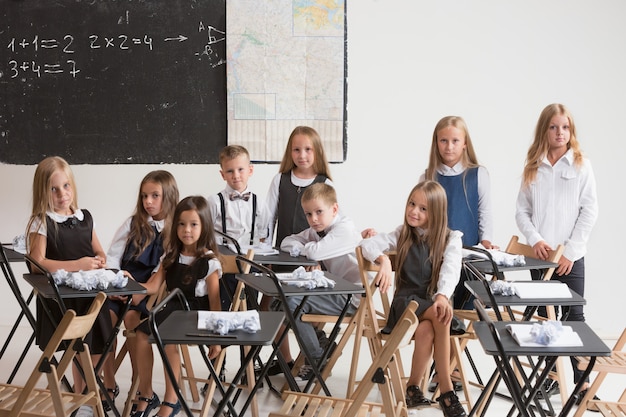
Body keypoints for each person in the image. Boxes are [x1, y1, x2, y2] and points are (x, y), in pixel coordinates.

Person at [359, 181, 467, 417]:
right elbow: (366, 245)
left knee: (428, 328)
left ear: (436, 213)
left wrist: (441, 296)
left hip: (431, 301)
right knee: (441, 315)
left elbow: (451, 269)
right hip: (406, 303)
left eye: (423, 208)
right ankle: (447, 391)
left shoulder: (450, 238)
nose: (414, 211)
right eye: (412, 204)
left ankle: (413, 388)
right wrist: (384, 261)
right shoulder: (402, 234)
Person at [515, 103, 599, 405]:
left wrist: (571, 252)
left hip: (571, 257)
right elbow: (522, 211)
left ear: (571, 131)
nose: (560, 132)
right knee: (544, 317)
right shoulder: (533, 165)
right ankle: (551, 380)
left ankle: (582, 382)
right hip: (541, 256)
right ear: (544, 130)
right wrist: (535, 239)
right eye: (553, 127)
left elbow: (589, 210)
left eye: (565, 127)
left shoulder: (580, 164)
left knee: (574, 315)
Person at [25, 156, 110, 417]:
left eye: (66, 186)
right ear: (43, 192)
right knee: (77, 346)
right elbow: (37, 263)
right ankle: (81, 396)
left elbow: (97, 249)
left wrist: (100, 259)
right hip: (64, 298)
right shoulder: (43, 221)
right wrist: (78, 265)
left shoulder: (84, 217)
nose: (62, 194)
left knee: (99, 343)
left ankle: (87, 393)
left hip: (91, 293)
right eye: (54, 189)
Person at [421, 115, 497, 392]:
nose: (449, 146)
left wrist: (487, 241)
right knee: (441, 312)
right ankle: (444, 370)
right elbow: (422, 217)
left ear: (464, 144)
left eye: (455, 141)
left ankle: (448, 371)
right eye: (444, 140)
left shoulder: (478, 174)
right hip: (437, 257)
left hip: (469, 256)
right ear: (436, 143)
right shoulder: (429, 176)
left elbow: (484, 213)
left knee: (460, 313)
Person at [131, 196, 223, 417]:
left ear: (205, 227)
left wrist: (216, 339)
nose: (187, 230)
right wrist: (129, 284)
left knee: (166, 340)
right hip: (171, 311)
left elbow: (215, 303)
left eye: (193, 224)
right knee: (142, 336)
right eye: (181, 224)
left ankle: (172, 399)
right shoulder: (171, 255)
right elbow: (153, 286)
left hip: (196, 317)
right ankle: (146, 392)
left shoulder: (209, 262)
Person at [102, 170, 179, 417]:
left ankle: (145, 392)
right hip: (121, 288)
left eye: (155, 196)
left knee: (133, 320)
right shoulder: (133, 223)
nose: (148, 202)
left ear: (169, 196)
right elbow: (113, 256)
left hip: (147, 294)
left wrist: (137, 293)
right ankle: (109, 383)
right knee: (104, 319)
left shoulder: (174, 232)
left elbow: (161, 274)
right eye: (145, 196)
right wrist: (115, 284)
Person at [276, 183, 363, 380]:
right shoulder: (317, 230)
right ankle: (321, 343)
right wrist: (309, 248)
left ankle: (316, 359)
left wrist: (310, 249)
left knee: (291, 302)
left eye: (319, 212)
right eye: (308, 214)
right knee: (278, 301)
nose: (313, 219)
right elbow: (287, 242)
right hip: (334, 291)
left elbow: (317, 251)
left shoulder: (344, 229)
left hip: (352, 297)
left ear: (334, 209)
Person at [207, 145, 267, 310]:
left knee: (251, 307)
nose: (236, 175)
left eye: (241, 169)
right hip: (223, 265)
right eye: (230, 171)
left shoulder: (259, 203)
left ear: (250, 170)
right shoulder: (214, 202)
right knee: (225, 306)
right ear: (222, 174)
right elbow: (206, 235)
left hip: (251, 264)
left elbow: (263, 236)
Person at [263, 126, 333, 248]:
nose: (302, 155)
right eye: (296, 150)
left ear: (317, 151)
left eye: (308, 149)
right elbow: (269, 218)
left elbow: (333, 225)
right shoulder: (279, 180)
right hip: (282, 256)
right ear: (290, 152)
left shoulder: (325, 184)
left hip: (312, 259)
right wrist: (266, 251)